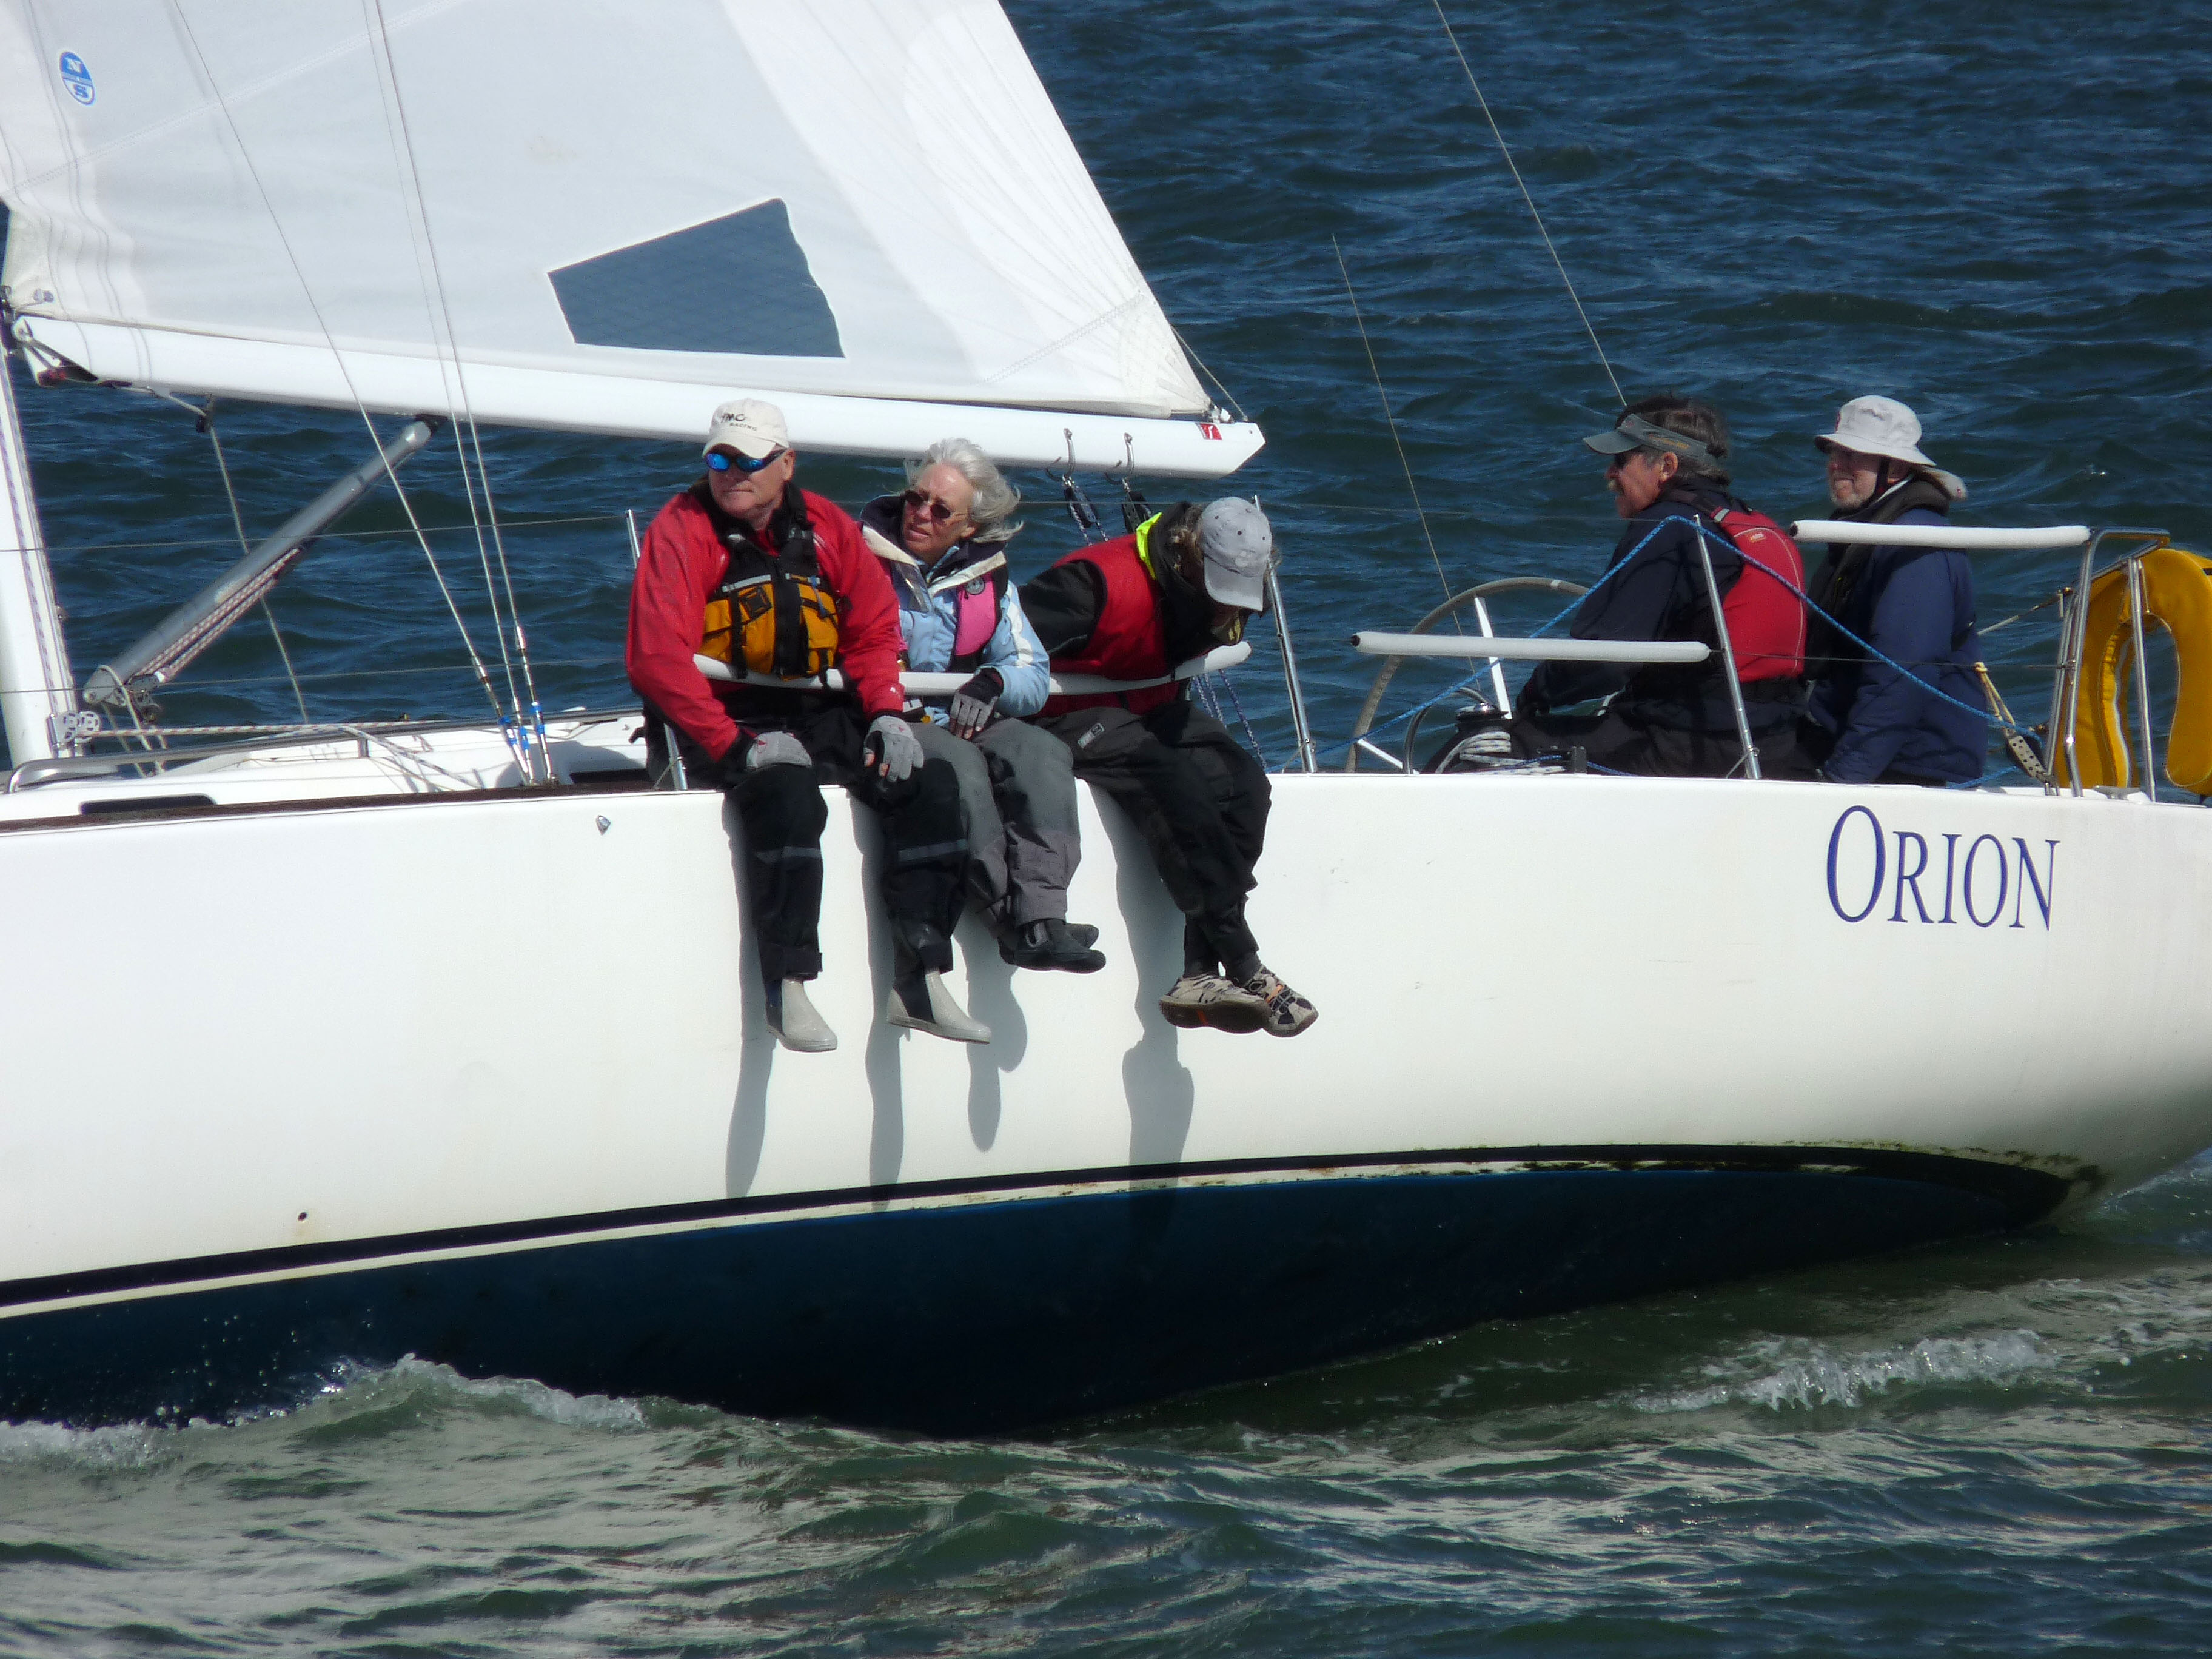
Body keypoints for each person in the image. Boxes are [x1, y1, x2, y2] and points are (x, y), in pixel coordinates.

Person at [626, 398, 986, 1053]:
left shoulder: (826, 526)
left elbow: (873, 630)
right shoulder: (681, 530)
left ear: (786, 464)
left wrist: (886, 714)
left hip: (816, 710)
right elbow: (656, 659)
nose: (732, 474)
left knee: (928, 784)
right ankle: (787, 986)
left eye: (748, 461)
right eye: (719, 461)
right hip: (723, 720)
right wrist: (736, 745)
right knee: (789, 795)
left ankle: (922, 979)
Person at [1022, 498, 1317, 1037]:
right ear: (1189, 557)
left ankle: (1198, 971)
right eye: (1220, 593)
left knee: (1246, 787)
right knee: (1175, 783)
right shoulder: (1090, 586)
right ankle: (1245, 961)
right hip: (1063, 714)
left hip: (1150, 705)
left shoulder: (1228, 603)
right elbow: (1002, 652)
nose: (1228, 611)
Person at [1441, 395, 1806, 778]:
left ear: (1667, 466)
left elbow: (1607, 660)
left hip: (1684, 745)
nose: (1609, 475)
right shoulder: (1756, 527)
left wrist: (1535, 696)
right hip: (1771, 743)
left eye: (1621, 461)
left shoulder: (1667, 527)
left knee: (1479, 747)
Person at [857, 439, 1105, 973]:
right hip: (893, 716)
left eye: (940, 509)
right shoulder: (859, 562)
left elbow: (1032, 672)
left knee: (1041, 752)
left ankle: (1046, 916)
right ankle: (1011, 920)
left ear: (969, 527)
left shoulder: (990, 581)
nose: (921, 513)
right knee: (961, 767)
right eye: (916, 498)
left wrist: (992, 682)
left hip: (965, 714)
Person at [1800, 396, 1988, 786]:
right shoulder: (1868, 529)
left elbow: (1904, 673)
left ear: (1898, 467)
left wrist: (1845, 778)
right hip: (1855, 747)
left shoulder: (1915, 543)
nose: (1836, 465)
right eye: (1834, 452)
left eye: (1854, 455)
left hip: (1903, 765)